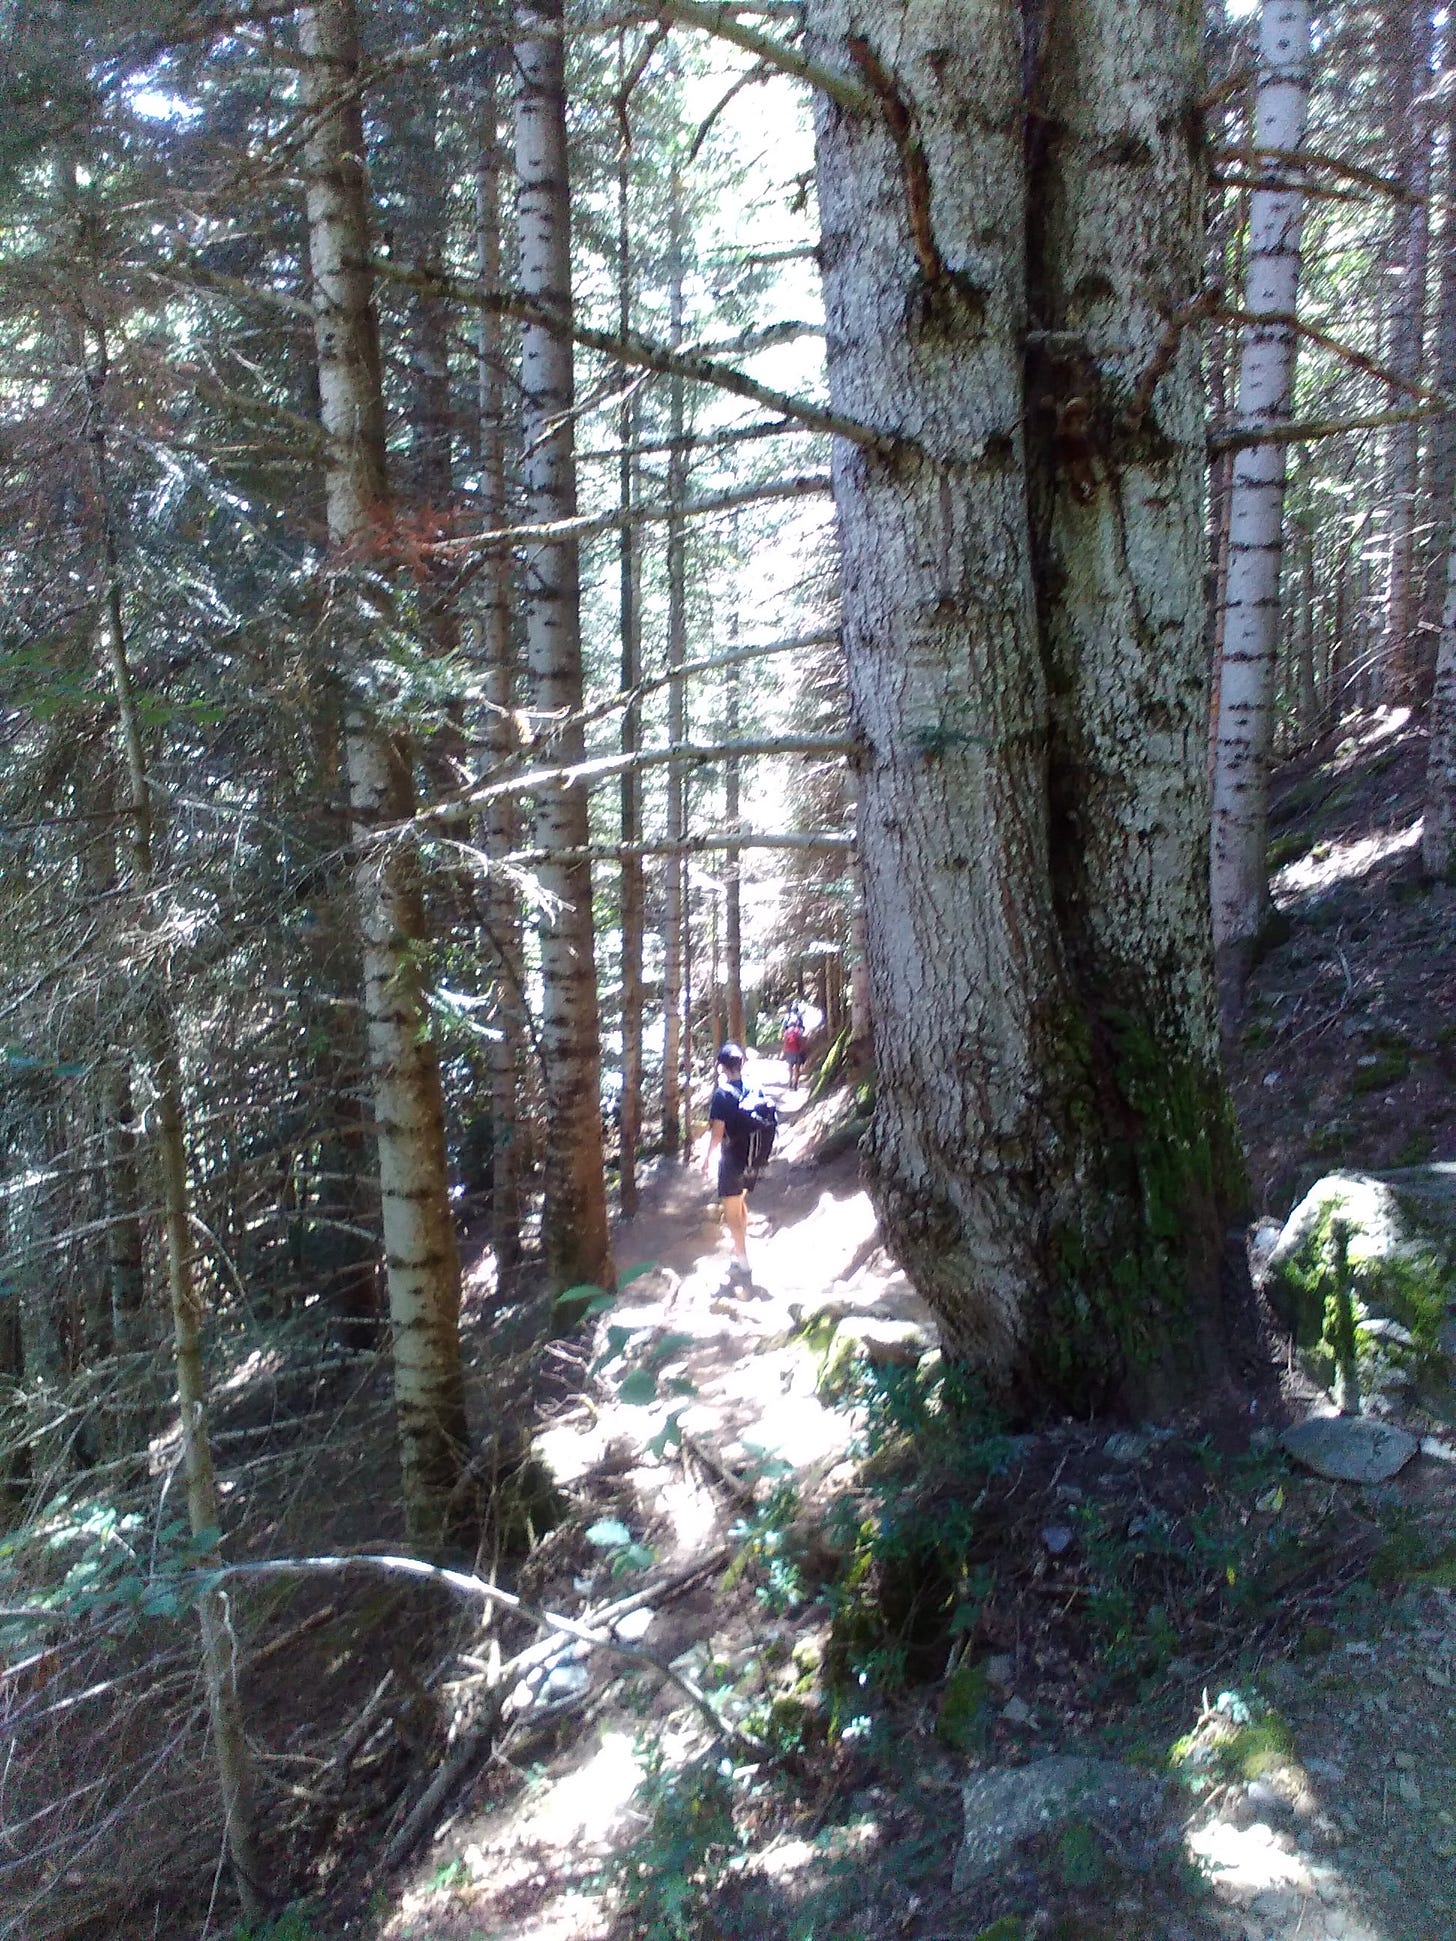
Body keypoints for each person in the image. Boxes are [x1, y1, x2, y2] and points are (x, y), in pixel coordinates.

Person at [701, 1041, 755, 1285]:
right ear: (741, 1064)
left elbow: (717, 1135)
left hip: (732, 1161)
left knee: (731, 1213)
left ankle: (743, 1263)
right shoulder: (752, 1088)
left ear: (722, 1066)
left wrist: (707, 1159)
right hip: (753, 1160)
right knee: (740, 1204)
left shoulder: (722, 1094)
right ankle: (739, 1251)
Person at [781, 1009, 806, 1090]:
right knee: (797, 1068)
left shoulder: (787, 1031)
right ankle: (796, 1082)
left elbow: (785, 1042)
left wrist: (784, 1051)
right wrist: (802, 1050)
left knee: (790, 1067)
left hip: (790, 1051)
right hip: (798, 1051)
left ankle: (790, 1080)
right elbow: (802, 1040)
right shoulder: (799, 1030)